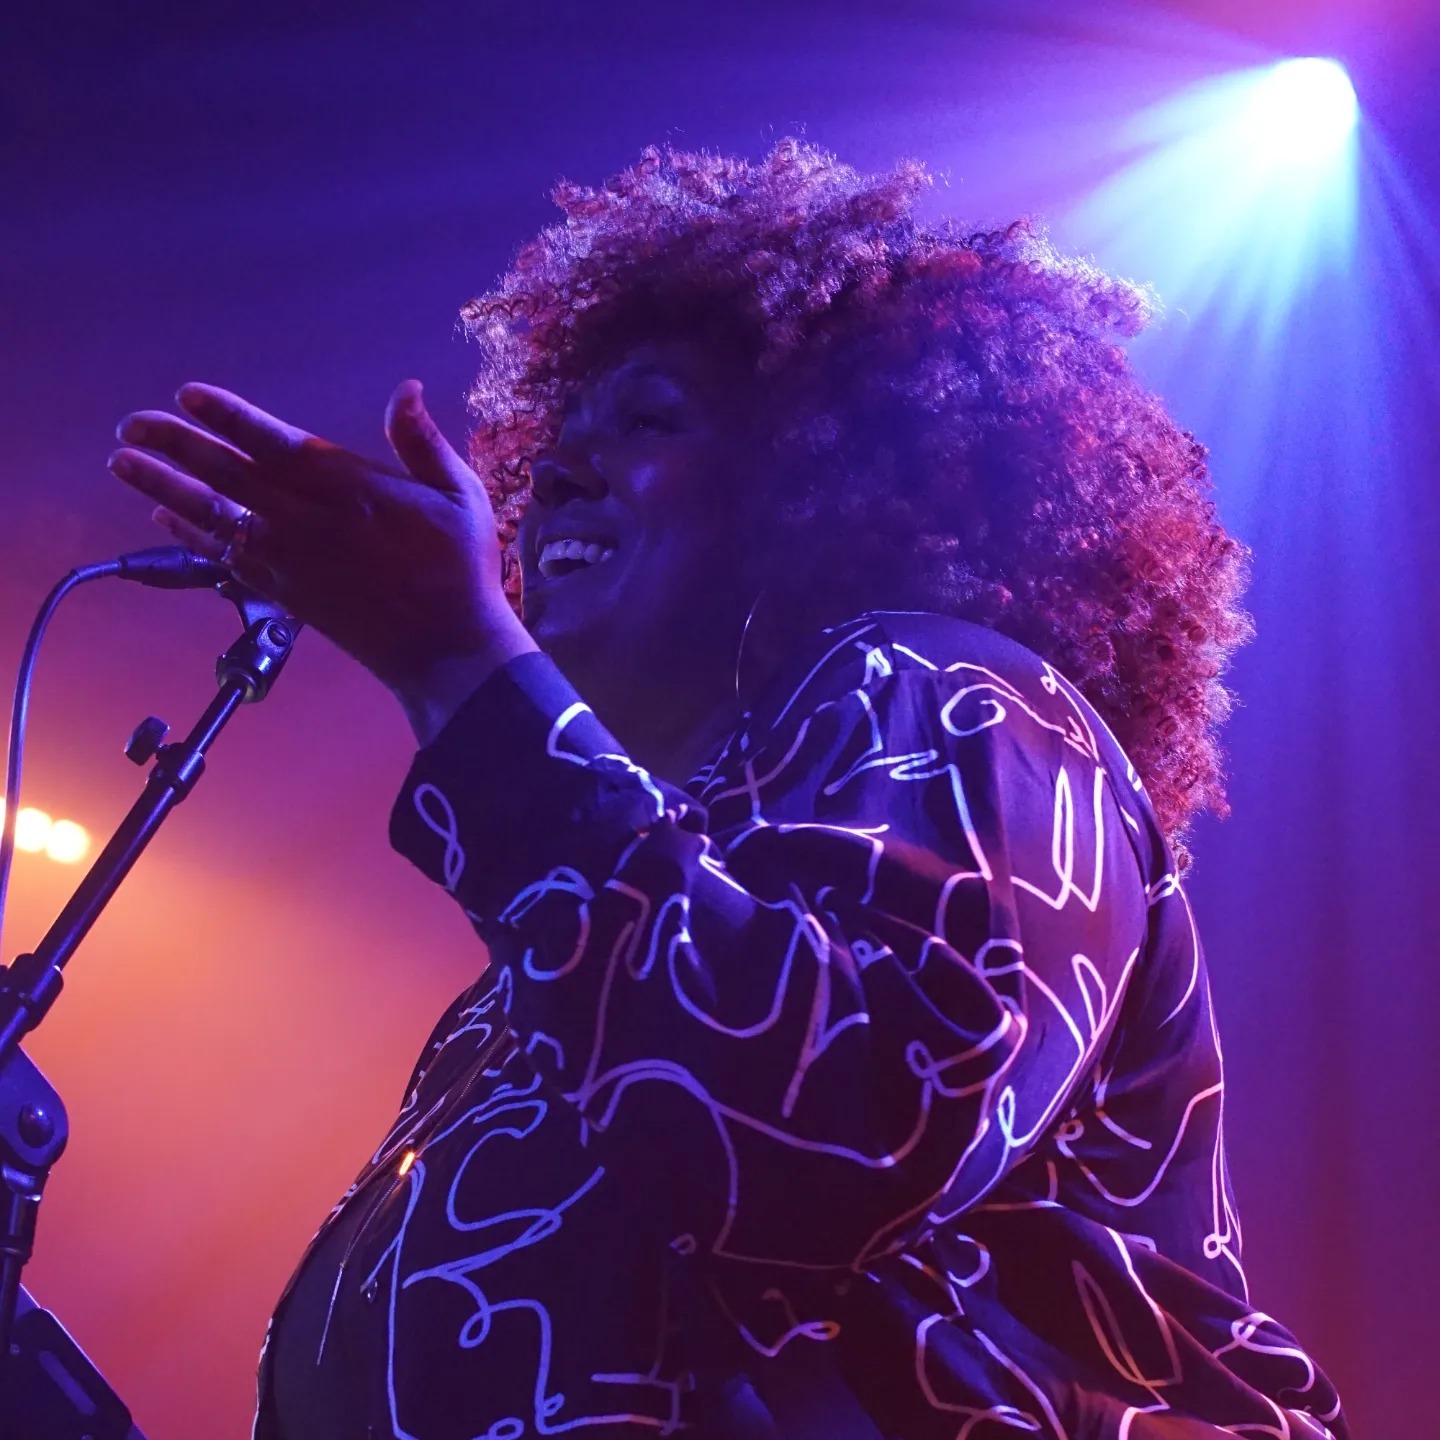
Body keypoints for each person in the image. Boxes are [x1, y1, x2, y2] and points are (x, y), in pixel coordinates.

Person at [107, 141, 1346, 1439]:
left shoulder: (966, 698)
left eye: (647, 418)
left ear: (824, 482)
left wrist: (460, 669)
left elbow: (833, 1136)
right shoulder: (581, 941)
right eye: (556, 442)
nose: (554, 482)